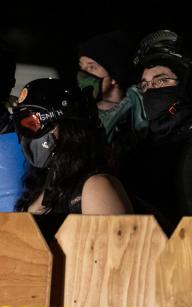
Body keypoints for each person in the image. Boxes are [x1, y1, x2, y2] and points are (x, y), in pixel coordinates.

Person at [121, 30, 192, 232]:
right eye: (145, 84)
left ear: (189, 85)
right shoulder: (141, 147)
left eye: (162, 80)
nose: (151, 89)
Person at [13, 78, 132, 227]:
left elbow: (115, 249)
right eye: (23, 126)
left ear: (67, 127)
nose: (28, 136)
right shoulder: (39, 188)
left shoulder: (95, 188)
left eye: (33, 125)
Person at [77, 29, 146, 153]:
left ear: (114, 76)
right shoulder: (79, 112)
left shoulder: (139, 108)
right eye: (82, 67)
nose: (83, 74)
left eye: (92, 67)